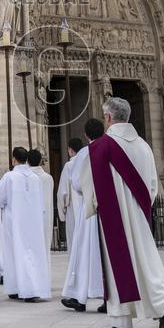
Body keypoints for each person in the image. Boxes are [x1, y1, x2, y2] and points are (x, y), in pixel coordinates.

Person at [80, 98, 164, 328]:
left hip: (113, 216)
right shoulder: (144, 146)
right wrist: (139, 207)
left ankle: (122, 323)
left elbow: (88, 186)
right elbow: (153, 186)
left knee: (118, 267)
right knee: (148, 262)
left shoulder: (101, 147)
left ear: (108, 118)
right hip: (140, 214)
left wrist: (95, 205)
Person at [61, 119, 107, 313]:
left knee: (83, 253)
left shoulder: (84, 154)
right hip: (108, 208)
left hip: (89, 209)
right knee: (104, 254)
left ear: (87, 135)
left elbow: (77, 183)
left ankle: (79, 297)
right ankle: (108, 298)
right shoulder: (109, 148)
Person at [0, 147, 50, 302]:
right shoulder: (35, 178)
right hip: (33, 222)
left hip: (15, 222)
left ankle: (22, 288)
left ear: (13, 159)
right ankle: (29, 287)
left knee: (15, 253)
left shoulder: (9, 177)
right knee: (32, 253)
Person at [57, 139, 84, 251]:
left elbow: (63, 191)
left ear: (71, 150)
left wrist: (62, 212)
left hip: (73, 206)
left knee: (74, 240)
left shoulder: (69, 165)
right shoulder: (87, 162)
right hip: (87, 205)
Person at [27, 149, 54, 251]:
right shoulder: (48, 178)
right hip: (45, 216)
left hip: (29, 217)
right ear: (40, 161)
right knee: (44, 248)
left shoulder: (25, 178)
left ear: (27, 161)